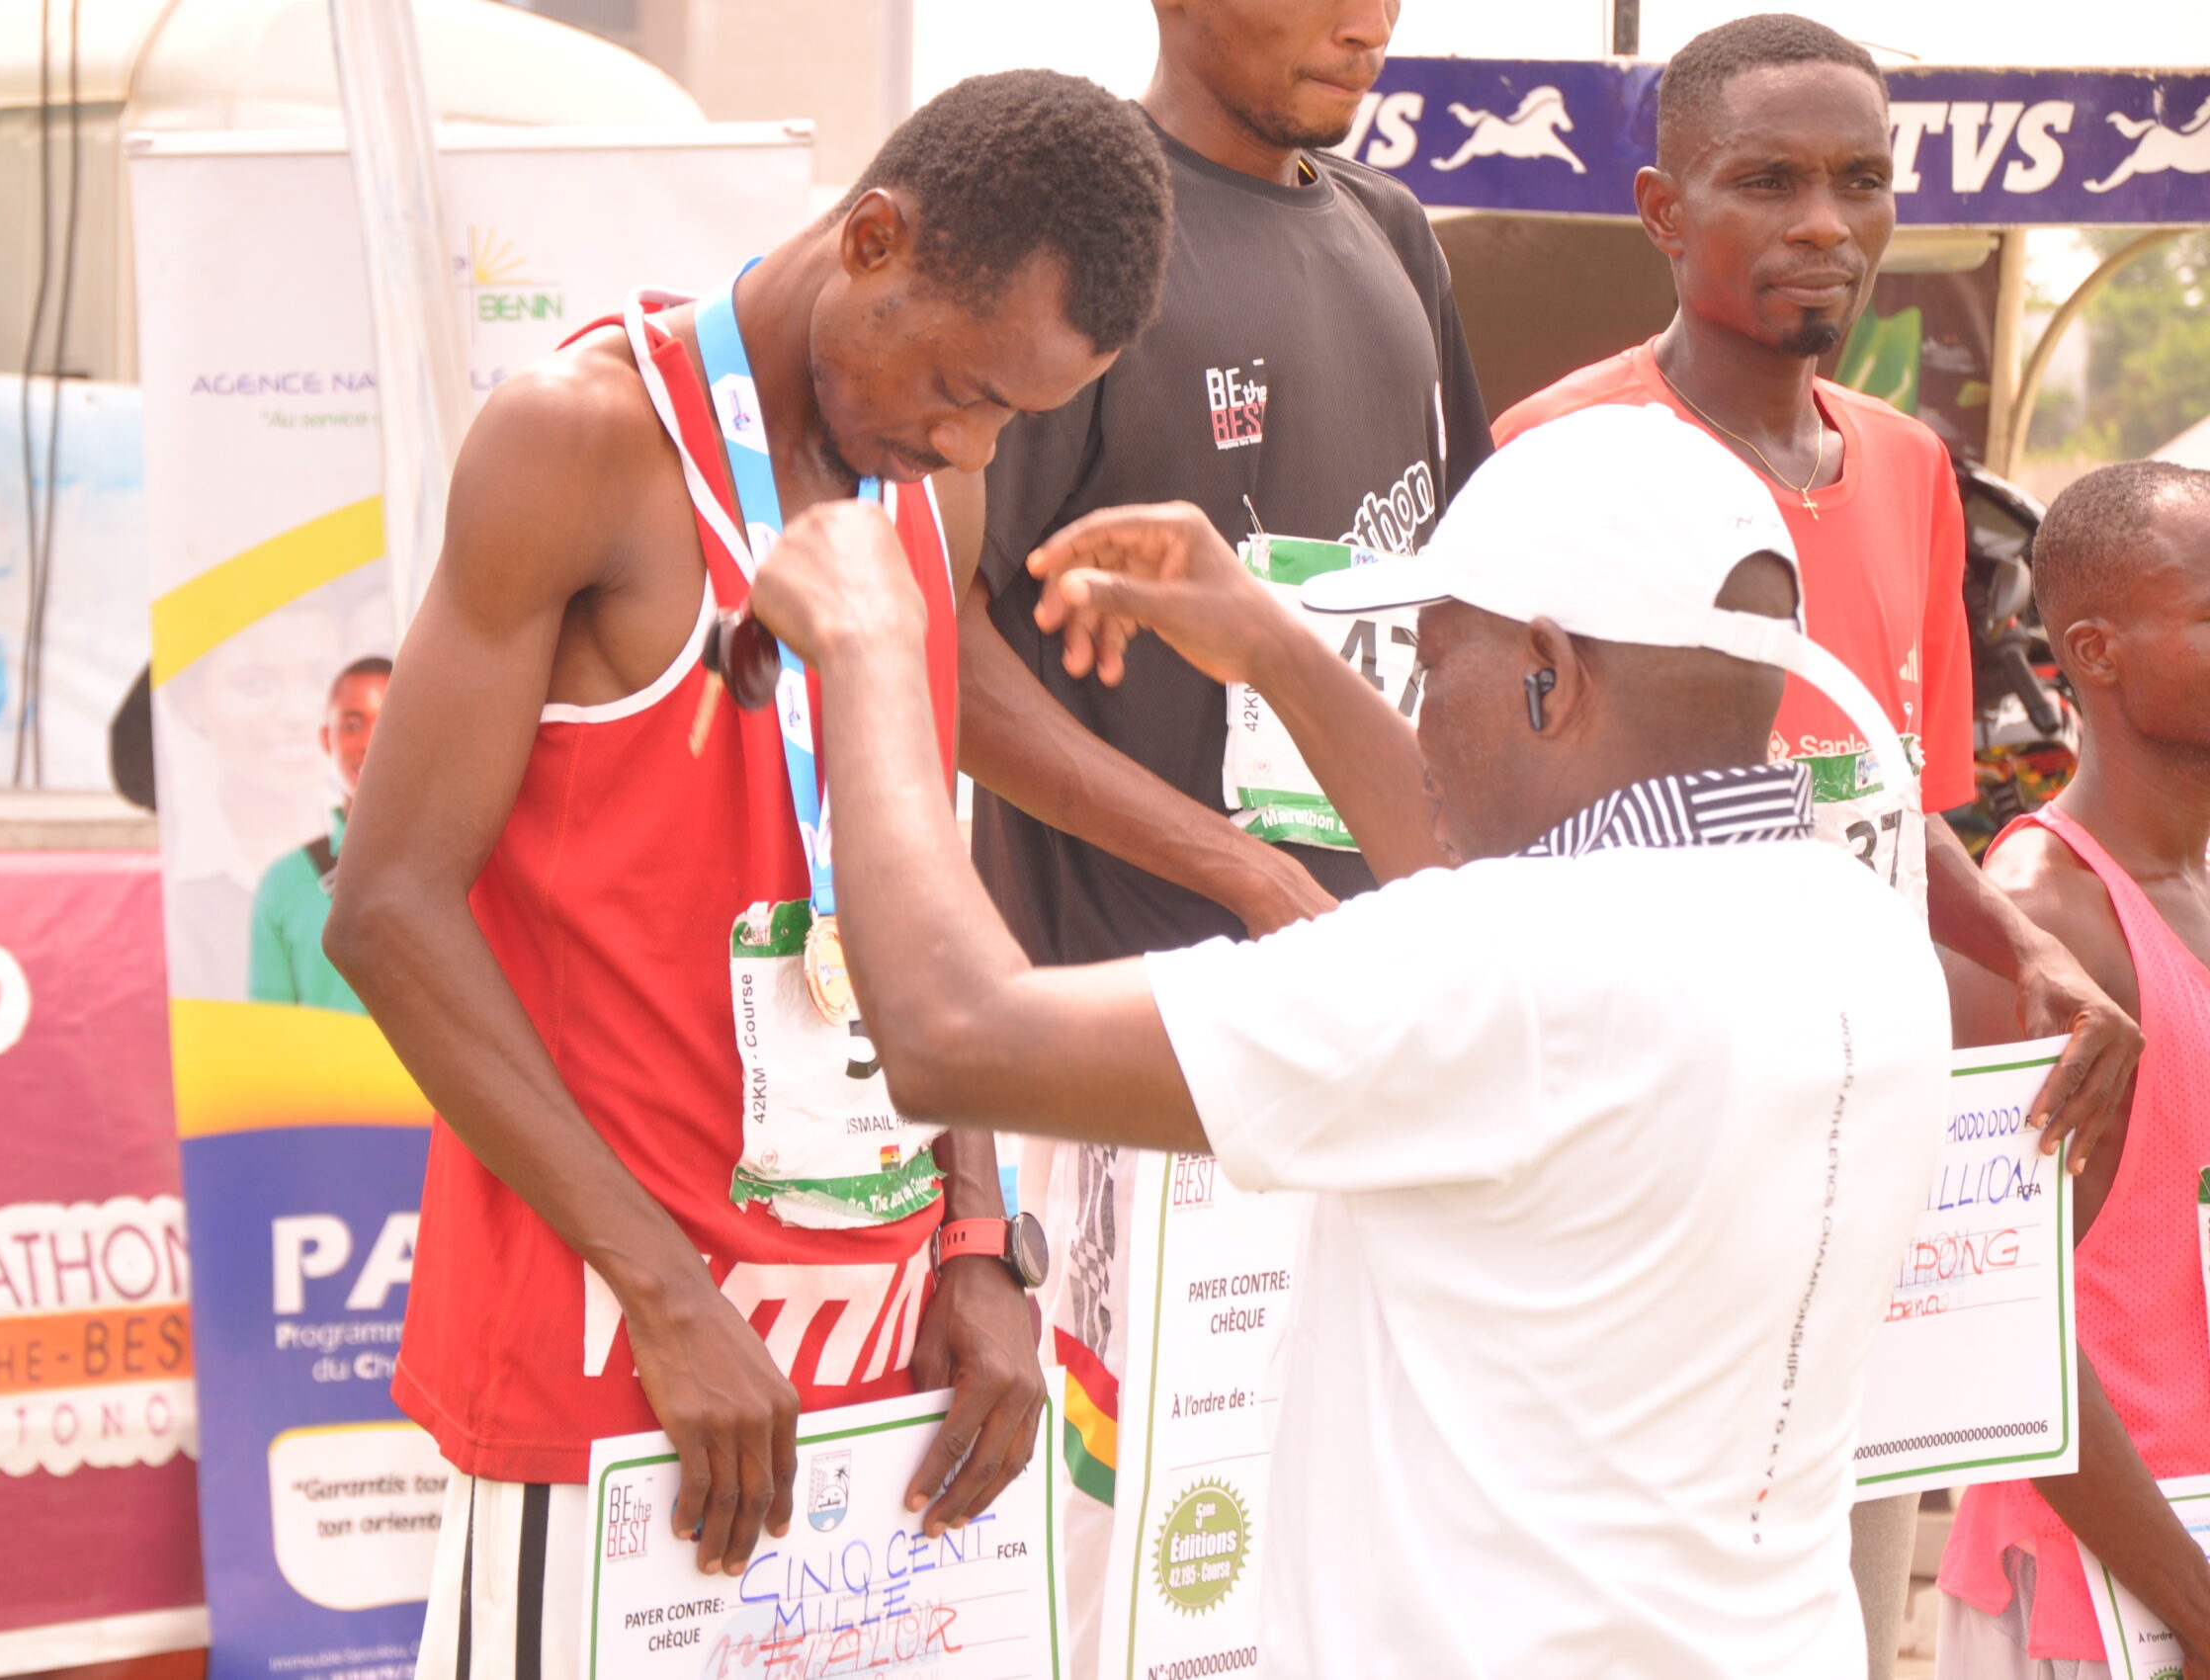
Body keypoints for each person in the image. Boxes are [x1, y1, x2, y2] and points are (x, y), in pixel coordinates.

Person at [747, 402, 1950, 1678]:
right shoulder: (1864, 936)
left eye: (1433, 665)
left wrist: (878, 647)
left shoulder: (1507, 973)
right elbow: (1490, 907)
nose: (1420, 721)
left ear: (1548, 675)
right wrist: (1271, 646)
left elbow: (954, 1036)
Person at [322, 71, 1174, 1680]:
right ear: (873, 238)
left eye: (1011, 417)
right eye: (960, 386)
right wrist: (662, 1293)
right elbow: (388, 910)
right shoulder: (582, 439)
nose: (971, 441)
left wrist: (979, 1238)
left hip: (878, 1344)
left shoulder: (932, 484)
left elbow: (916, 877)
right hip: (624, 1350)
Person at [1491, 19, 2144, 1662]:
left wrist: (2027, 947)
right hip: (1637, 1169)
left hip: (1856, 1161)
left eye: (1861, 182)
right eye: (1768, 182)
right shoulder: (1556, 456)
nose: (1824, 227)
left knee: (1838, 1610)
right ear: (1662, 212)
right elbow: (1481, 821)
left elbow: (1893, 802)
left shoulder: (1913, 470)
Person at [961, 0, 1488, 1631]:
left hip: (1382, 1048)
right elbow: (935, 648)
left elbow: (1460, 612)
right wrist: (1240, 869)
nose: (1367, 20)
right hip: (1144, 1069)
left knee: (1339, 1590)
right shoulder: (1078, 243)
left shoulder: (1394, 233)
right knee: (1133, 1600)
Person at [1936, 462, 2210, 1679]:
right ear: (2094, 651)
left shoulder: (2193, 884)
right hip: (2095, 1601)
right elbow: (1989, 1323)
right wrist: (2195, 1604)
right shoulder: (2032, 927)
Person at [247, 654, 388, 1013]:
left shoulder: (461, 869)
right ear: (327, 738)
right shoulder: (285, 883)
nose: (369, 741)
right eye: (352, 725)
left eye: (389, 721)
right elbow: (270, 1031)